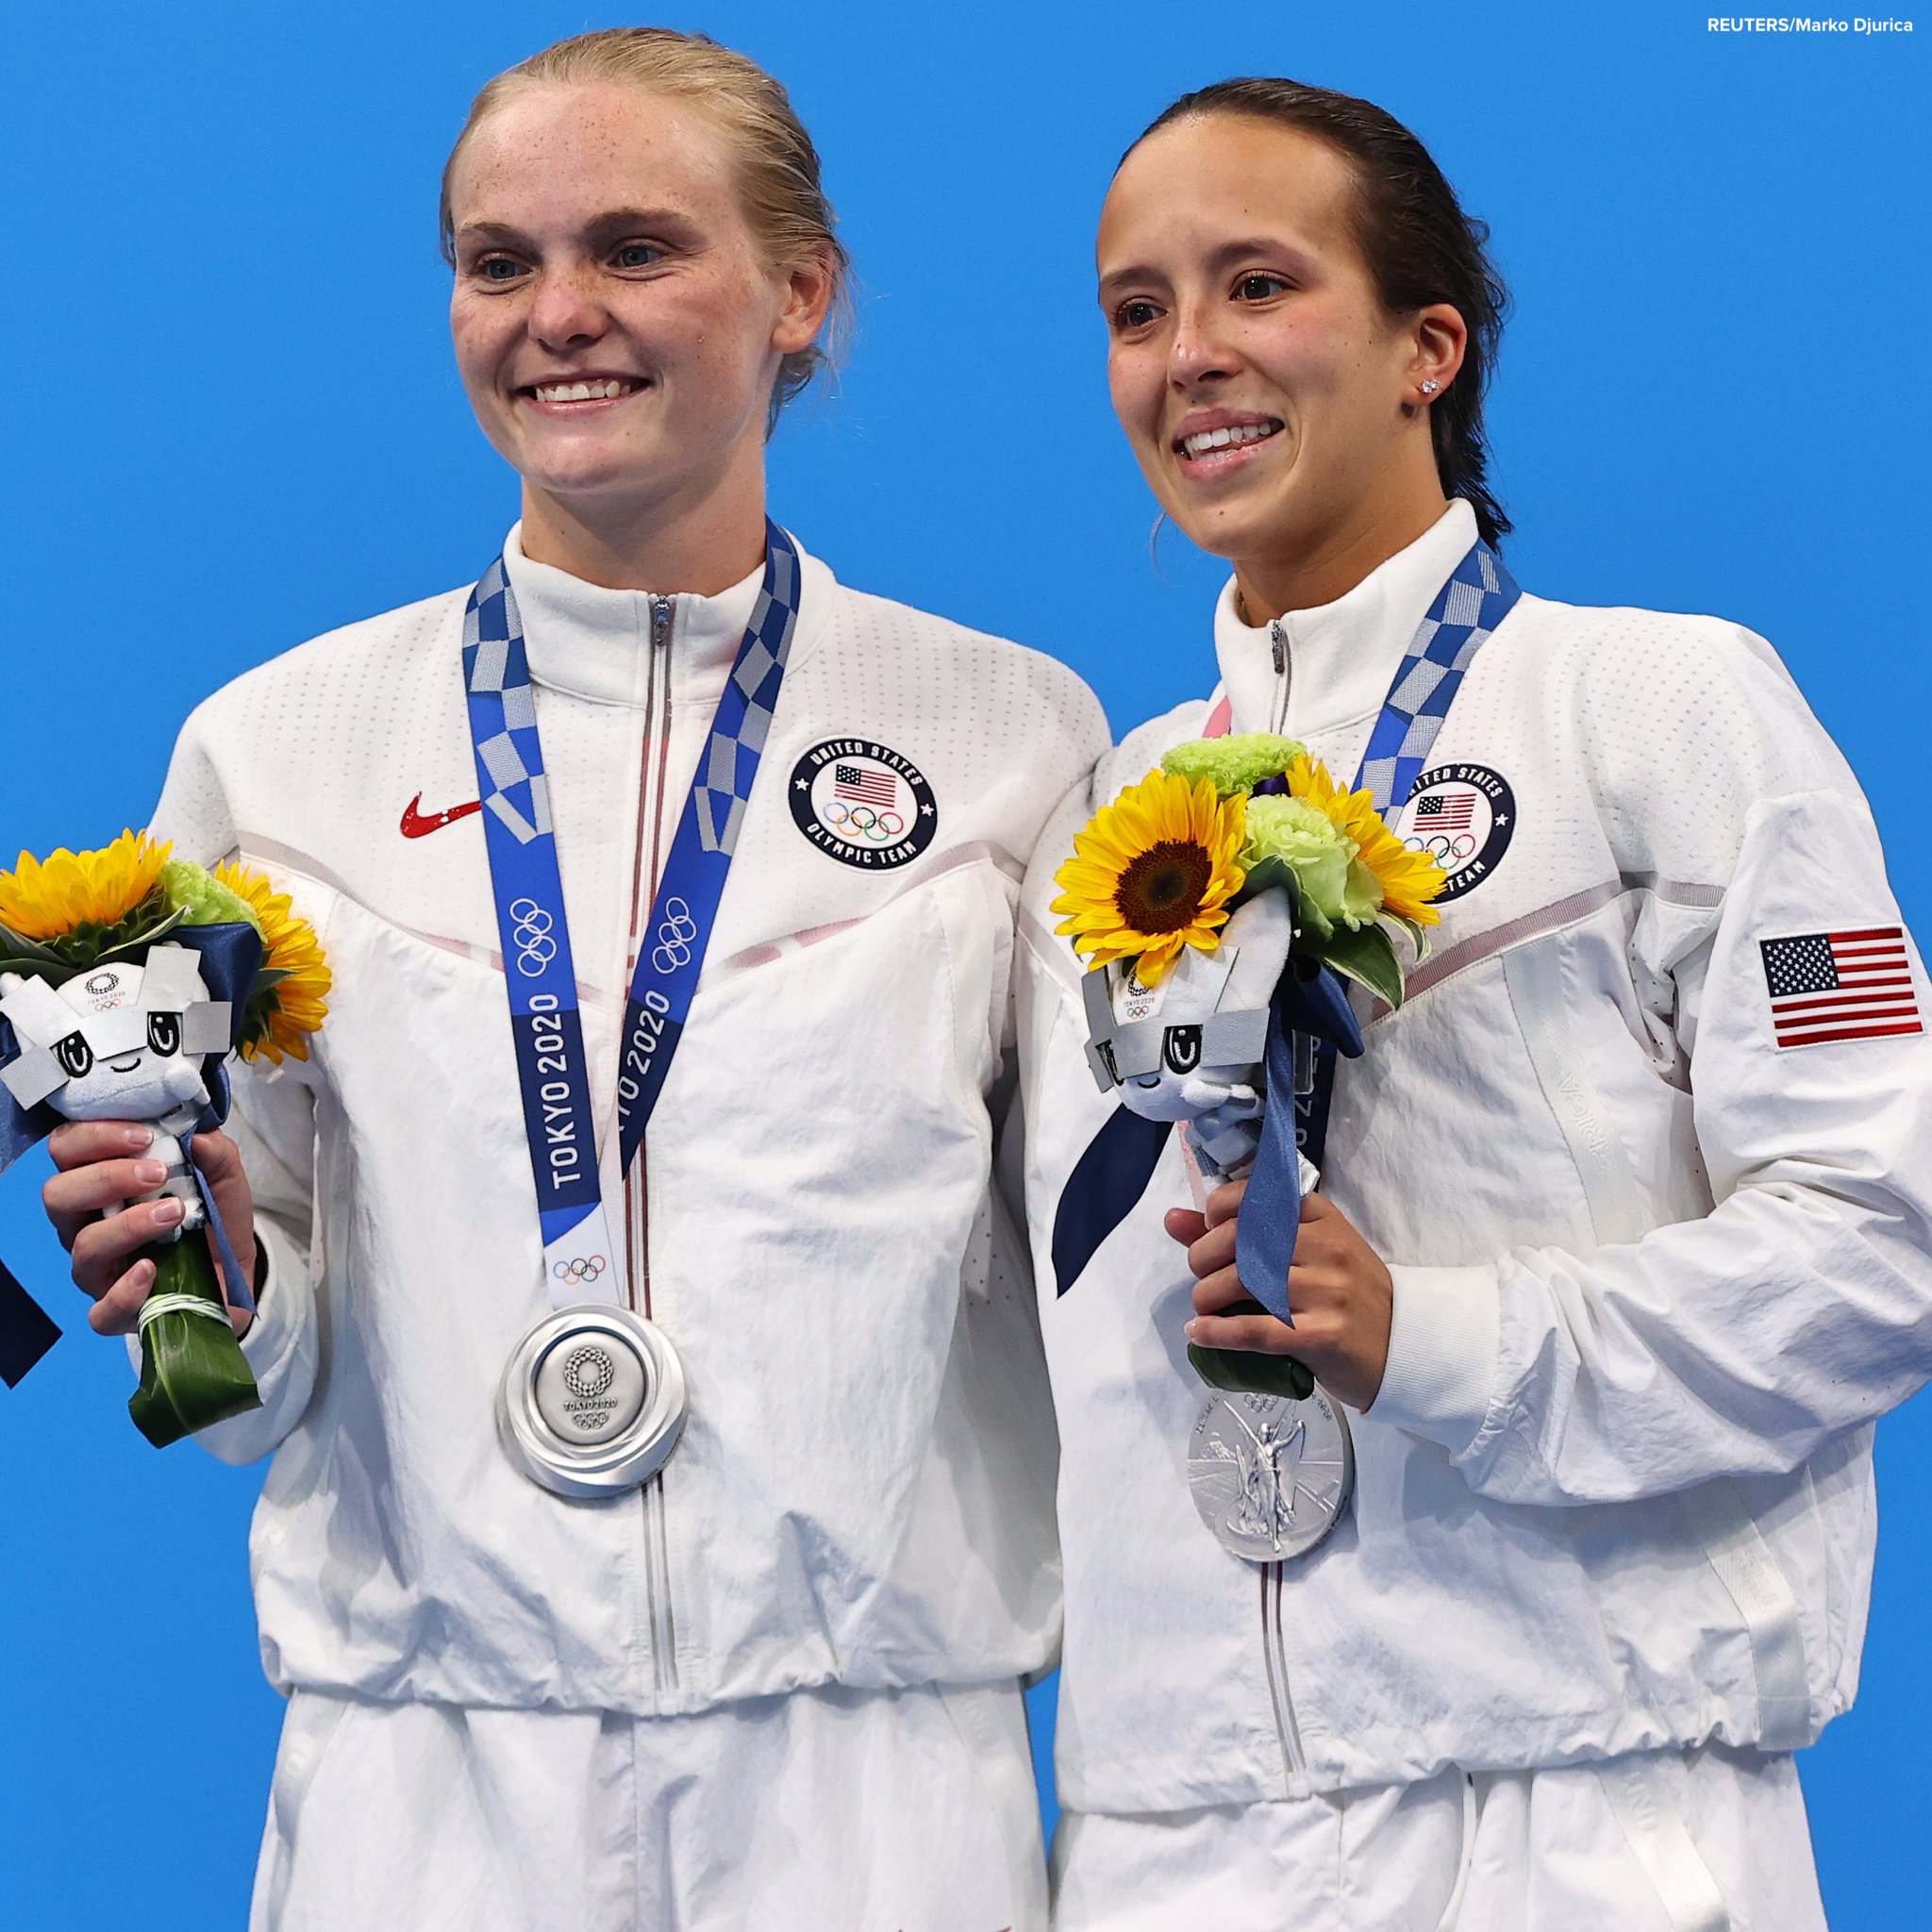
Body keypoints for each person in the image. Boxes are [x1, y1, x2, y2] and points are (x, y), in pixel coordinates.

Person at [42, 28, 1105, 1931]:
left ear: (802, 290)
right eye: (499, 262)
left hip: (876, 1782)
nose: (560, 318)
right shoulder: (279, 750)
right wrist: (215, 1283)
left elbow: (1086, 1285)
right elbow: (237, 1388)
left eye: (634, 248)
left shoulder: (1010, 736)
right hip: (428, 1776)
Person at [1018, 77, 1932, 1929]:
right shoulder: (1105, 822)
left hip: (1583, 1809)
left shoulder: (1656, 708)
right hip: (1170, 1827)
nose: (1189, 356)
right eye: (1136, 309)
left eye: (1256, 285)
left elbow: (1879, 1241)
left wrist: (1431, 1337)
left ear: (1427, 343)